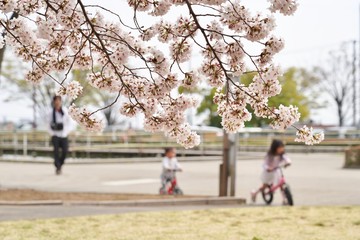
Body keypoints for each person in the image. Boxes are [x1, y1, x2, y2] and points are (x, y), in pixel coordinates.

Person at [48, 96, 73, 175]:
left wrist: (67, 132)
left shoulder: (65, 111)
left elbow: (70, 123)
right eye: (56, 101)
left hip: (64, 134)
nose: (57, 102)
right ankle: (58, 167)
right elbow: (47, 124)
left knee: (65, 151)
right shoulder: (50, 112)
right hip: (55, 134)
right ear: (54, 102)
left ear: (61, 102)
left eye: (59, 101)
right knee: (56, 151)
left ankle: (59, 164)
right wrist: (52, 133)